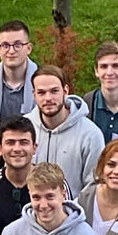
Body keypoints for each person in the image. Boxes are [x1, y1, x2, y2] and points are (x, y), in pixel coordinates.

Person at [30, 65, 104, 195]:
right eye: (41, 92)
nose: (48, 98)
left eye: (54, 91)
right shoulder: (25, 128)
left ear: (65, 91)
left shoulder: (90, 134)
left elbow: (94, 187)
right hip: (30, 212)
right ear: (34, 95)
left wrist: (70, 212)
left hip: (73, 213)